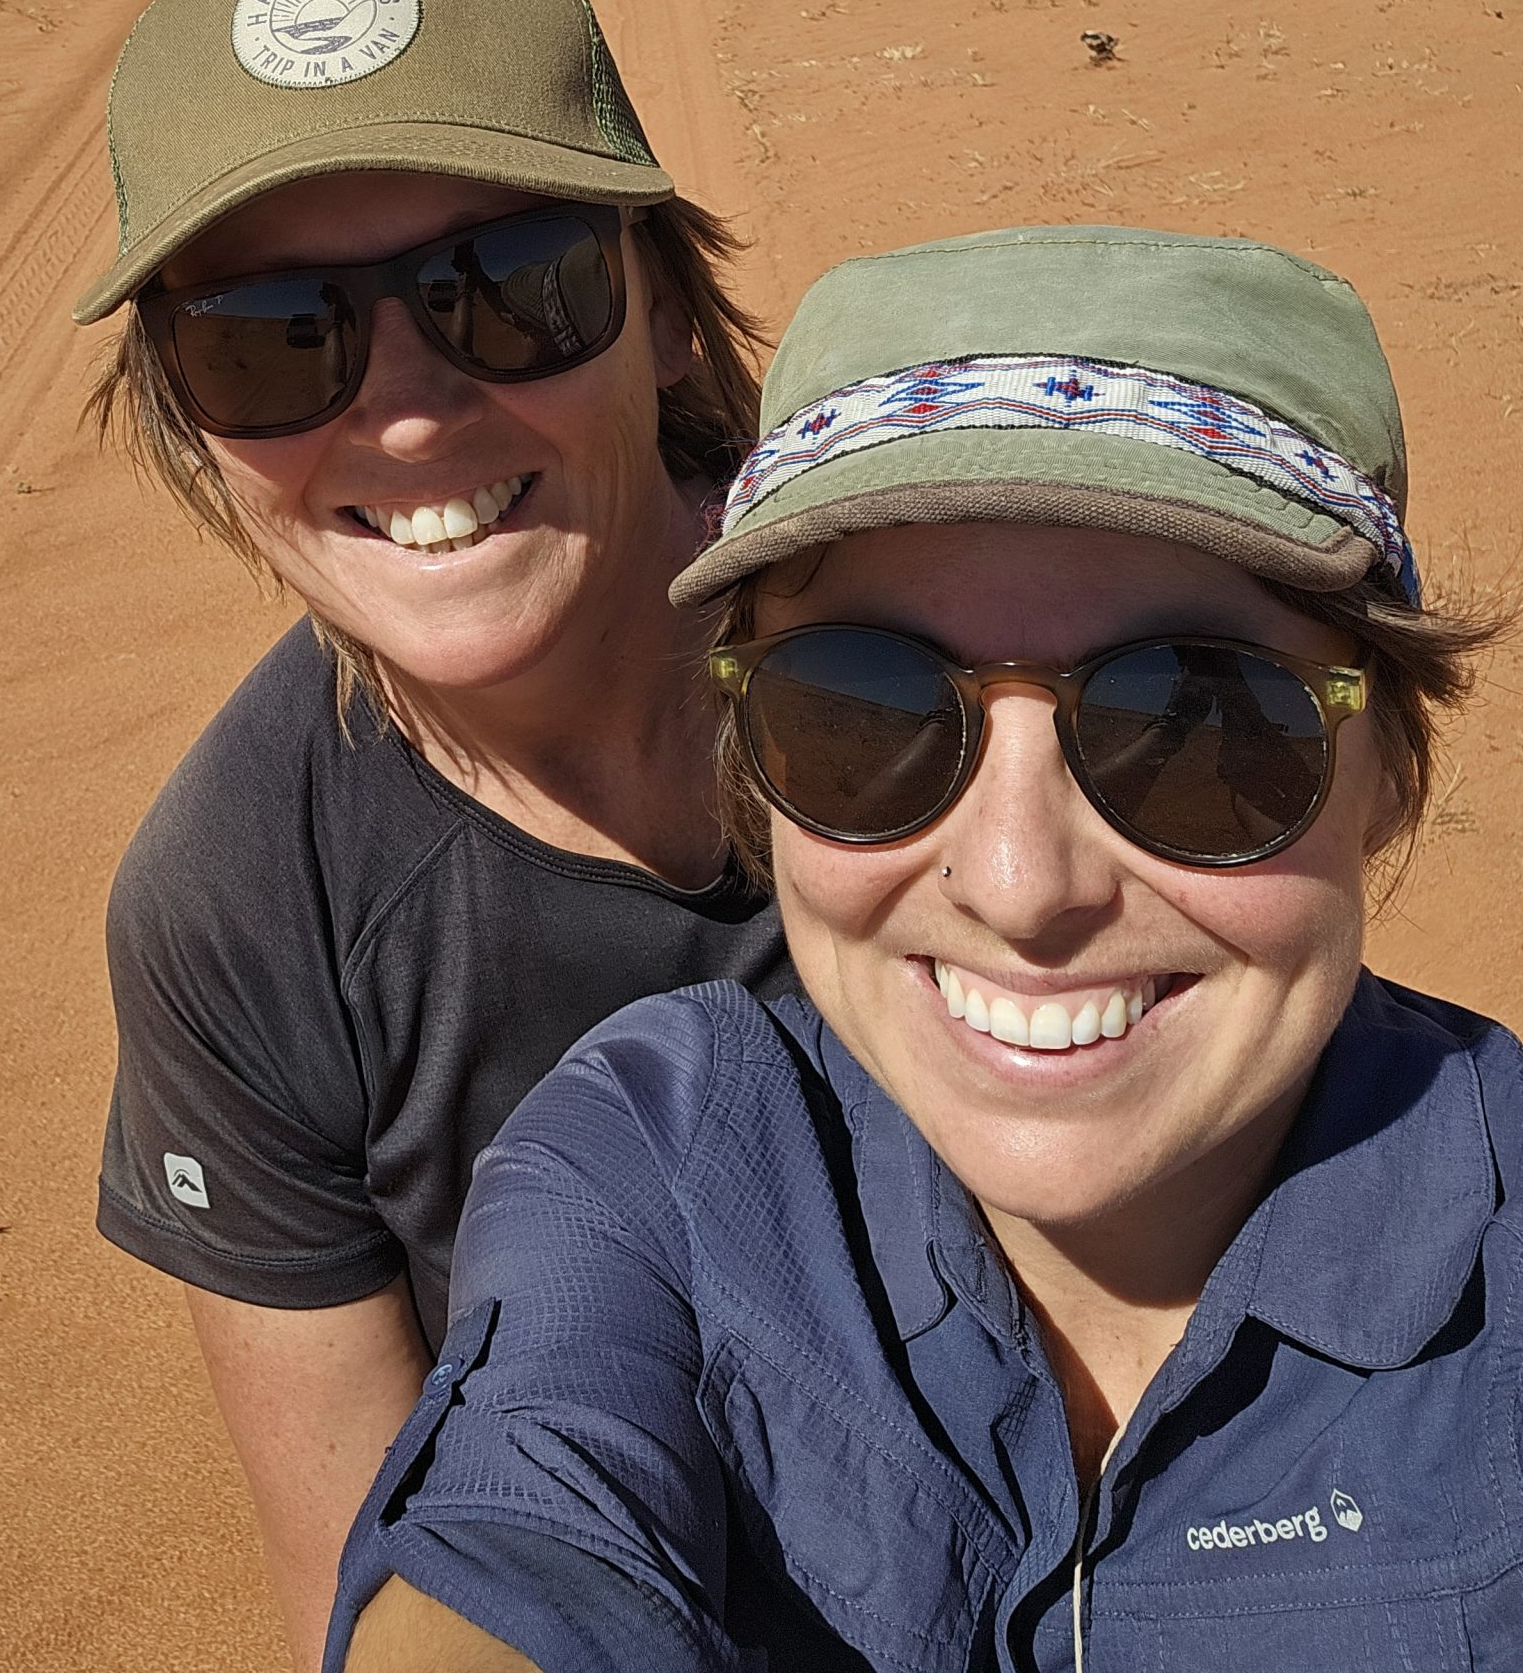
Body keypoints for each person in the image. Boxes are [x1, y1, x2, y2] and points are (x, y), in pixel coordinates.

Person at [331, 223, 1517, 1672]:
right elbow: (520, 1542)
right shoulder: (667, 1154)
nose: (1019, 885)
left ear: (1391, 769)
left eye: (1197, 721)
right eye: (864, 709)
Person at [75, 0, 792, 1668]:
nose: (402, 412)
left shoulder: (929, 642)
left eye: (511, 286)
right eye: (270, 339)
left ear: (664, 309)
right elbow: (372, 1569)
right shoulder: (247, 905)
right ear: (189, 419)